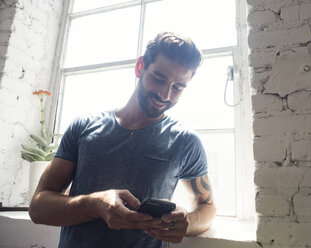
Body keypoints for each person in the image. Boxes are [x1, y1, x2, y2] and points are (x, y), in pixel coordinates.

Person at [29, 32, 216, 248]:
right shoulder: (83, 126)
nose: (165, 95)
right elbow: (38, 207)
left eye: (177, 87)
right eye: (159, 78)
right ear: (139, 67)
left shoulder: (186, 141)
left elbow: (207, 206)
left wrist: (186, 222)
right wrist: (95, 204)